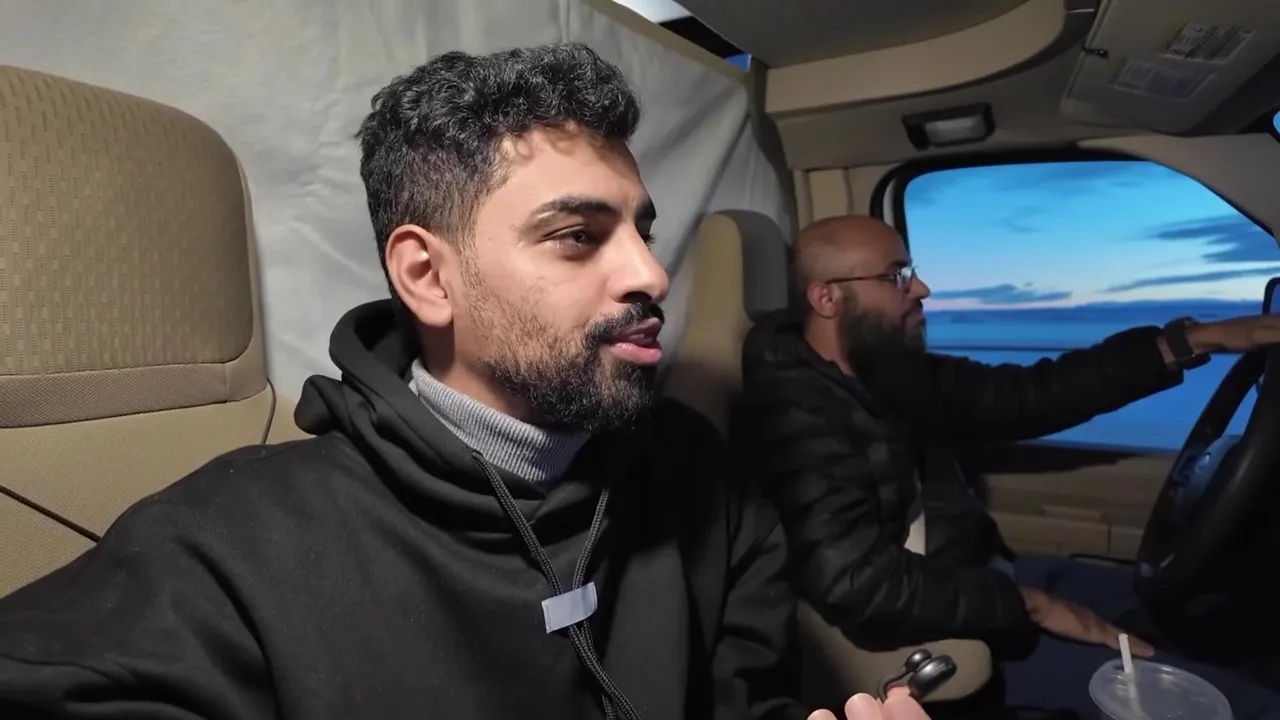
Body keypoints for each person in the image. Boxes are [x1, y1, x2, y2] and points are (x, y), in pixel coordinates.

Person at [0, 47, 933, 720]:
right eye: (578, 236)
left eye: (643, 231)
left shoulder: (703, 480)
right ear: (427, 277)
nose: (651, 273)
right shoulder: (226, 550)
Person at [733, 214, 1280, 718]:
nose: (921, 288)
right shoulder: (789, 414)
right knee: (1244, 710)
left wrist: (1186, 342)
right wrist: (1028, 606)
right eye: (897, 275)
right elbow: (857, 583)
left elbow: (1029, 393)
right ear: (826, 298)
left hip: (979, 578)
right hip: (945, 625)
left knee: (1197, 614)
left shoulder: (888, 372)